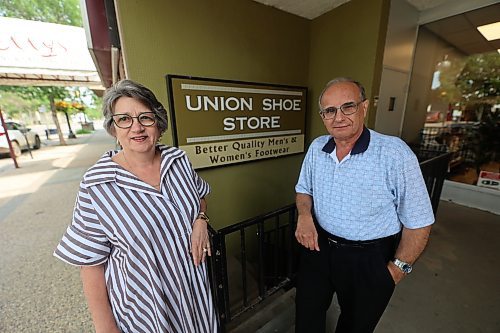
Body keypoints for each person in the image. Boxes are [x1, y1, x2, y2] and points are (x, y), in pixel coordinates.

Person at [54, 79, 218, 333]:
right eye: (124, 119)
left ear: (158, 124)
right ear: (113, 128)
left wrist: (200, 220)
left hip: (194, 298)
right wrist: (106, 328)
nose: (137, 127)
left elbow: (199, 196)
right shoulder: (97, 183)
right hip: (144, 312)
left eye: (145, 118)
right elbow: (91, 265)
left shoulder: (178, 160)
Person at [294, 77, 434, 333]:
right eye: (330, 110)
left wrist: (395, 271)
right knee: (306, 314)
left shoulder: (394, 153)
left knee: (355, 326)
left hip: (368, 258)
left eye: (348, 106)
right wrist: (305, 216)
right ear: (322, 115)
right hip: (319, 248)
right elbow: (303, 190)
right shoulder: (317, 148)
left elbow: (419, 221)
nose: (339, 117)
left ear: (364, 107)